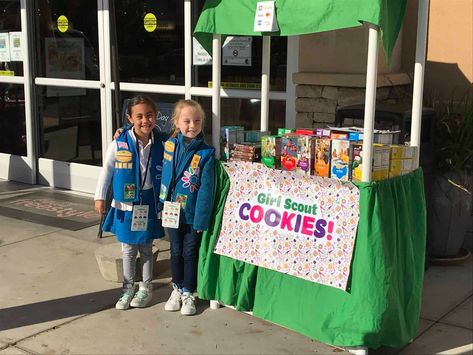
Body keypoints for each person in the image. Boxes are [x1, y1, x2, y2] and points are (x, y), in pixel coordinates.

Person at [94, 95, 167, 310]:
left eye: (149, 115)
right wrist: (100, 196)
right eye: (139, 116)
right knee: (127, 248)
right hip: (126, 203)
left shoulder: (162, 142)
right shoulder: (119, 142)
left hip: (149, 201)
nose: (145, 120)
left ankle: (146, 288)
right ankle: (127, 288)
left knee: (146, 247)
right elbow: (107, 171)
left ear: (156, 117)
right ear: (130, 118)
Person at [159, 99, 215, 316]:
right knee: (175, 250)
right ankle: (176, 288)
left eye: (197, 120)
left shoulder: (207, 153)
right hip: (171, 211)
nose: (192, 125)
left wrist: (202, 219)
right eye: (187, 121)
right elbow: (144, 131)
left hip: (192, 214)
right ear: (176, 122)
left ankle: (188, 292)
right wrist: (123, 130)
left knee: (190, 251)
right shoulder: (169, 144)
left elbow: (206, 190)